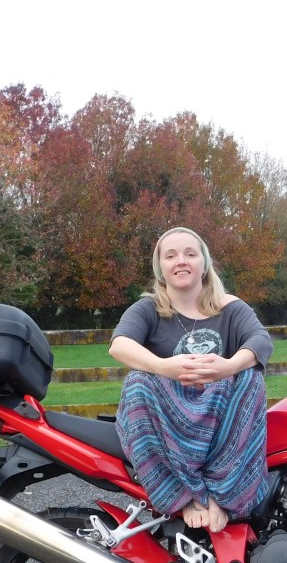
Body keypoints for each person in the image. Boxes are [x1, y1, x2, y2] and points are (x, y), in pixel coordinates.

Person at [109, 227, 273, 532]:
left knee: (251, 377)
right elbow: (119, 345)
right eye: (170, 256)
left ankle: (223, 495)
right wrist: (162, 366)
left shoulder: (230, 306)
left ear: (204, 263)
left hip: (220, 416)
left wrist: (228, 367)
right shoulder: (148, 308)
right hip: (168, 418)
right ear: (161, 268)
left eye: (190, 254)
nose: (181, 261)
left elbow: (261, 341)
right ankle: (183, 496)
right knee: (137, 382)